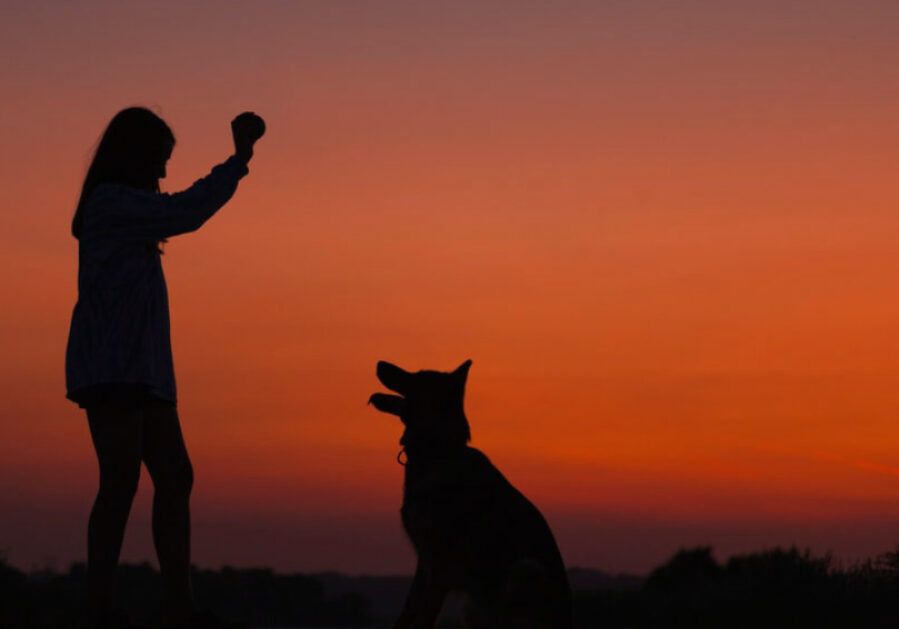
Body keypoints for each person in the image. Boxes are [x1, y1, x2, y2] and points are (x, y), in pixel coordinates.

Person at [65, 107, 265, 628]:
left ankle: (179, 606)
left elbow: (178, 211)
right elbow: (187, 211)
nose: (162, 174)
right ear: (135, 158)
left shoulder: (124, 208)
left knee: (174, 477)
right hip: (114, 367)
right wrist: (238, 160)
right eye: (159, 161)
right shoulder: (111, 205)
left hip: (143, 369)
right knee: (121, 481)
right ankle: (100, 607)